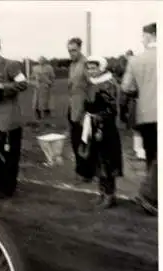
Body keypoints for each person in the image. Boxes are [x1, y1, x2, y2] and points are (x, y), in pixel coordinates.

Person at [0, 36, 28, 198]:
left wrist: (3, 86)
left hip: (10, 118)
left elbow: (23, 84)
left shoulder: (11, 65)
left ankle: (8, 188)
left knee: (11, 155)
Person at [121, 23, 157, 215]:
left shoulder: (135, 61)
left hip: (146, 114)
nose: (142, 40)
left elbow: (126, 87)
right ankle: (150, 195)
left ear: (150, 35)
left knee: (152, 156)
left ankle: (151, 196)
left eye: (143, 36)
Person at [79, 56, 123, 209]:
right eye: (89, 68)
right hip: (93, 124)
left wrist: (99, 126)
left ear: (101, 68)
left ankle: (110, 195)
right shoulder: (92, 83)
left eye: (94, 68)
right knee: (97, 160)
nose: (91, 71)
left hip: (105, 127)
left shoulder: (108, 83)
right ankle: (102, 193)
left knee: (107, 161)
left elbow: (111, 109)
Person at [67, 37, 94, 182]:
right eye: (69, 50)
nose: (71, 53)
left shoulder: (85, 64)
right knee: (75, 141)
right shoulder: (72, 65)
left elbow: (92, 85)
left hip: (84, 110)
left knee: (83, 142)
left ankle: (86, 173)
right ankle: (80, 170)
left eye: (74, 50)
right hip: (73, 108)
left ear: (80, 49)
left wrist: (88, 109)